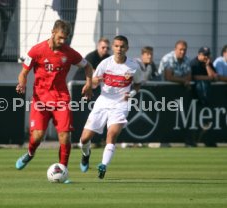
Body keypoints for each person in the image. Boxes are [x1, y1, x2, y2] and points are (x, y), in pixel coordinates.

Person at [15, 20, 93, 173]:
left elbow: (88, 66)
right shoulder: (36, 51)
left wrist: (89, 83)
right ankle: (30, 153)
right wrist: (22, 84)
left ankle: (63, 169)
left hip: (61, 99)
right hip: (40, 100)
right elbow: (23, 73)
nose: (62, 41)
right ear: (53, 32)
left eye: (65, 38)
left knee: (65, 136)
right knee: (37, 136)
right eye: (60, 38)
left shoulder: (69, 53)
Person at [79, 35, 142, 179]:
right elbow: (94, 82)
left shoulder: (133, 66)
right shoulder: (105, 64)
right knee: (84, 139)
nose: (119, 49)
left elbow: (138, 84)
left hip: (121, 105)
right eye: (117, 46)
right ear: (113, 47)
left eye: (122, 46)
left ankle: (103, 165)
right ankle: (85, 154)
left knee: (112, 134)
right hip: (103, 102)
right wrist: (93, 83)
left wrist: (131, 93)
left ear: (127, 48)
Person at [190, 46, 218, 147]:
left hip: (206, 100)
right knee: (194, 120)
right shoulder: (194, 63)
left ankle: (207, 140)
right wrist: (208, 78)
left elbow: (214, 77)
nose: (206, 57)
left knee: (206, 121)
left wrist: (207, 66)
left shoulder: (208, 63)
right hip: (194, 98)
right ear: (199, 54)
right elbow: (195, 77)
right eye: (204, 55)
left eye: (208, 55)